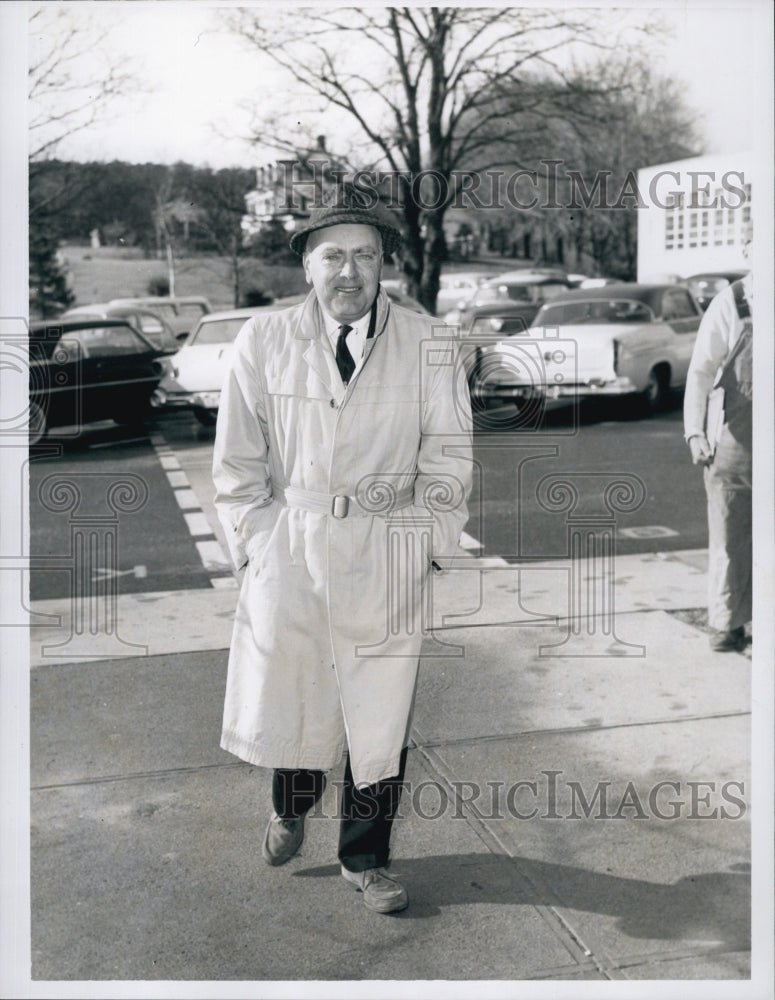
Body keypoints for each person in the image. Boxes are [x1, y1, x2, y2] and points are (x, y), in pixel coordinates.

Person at [212, 184, 472, 913]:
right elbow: (235, 465)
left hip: (387, 548)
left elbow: (448, 460)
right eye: (333, 256)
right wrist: (256, 546)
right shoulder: (262, 342)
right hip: (291, 547)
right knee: (295, 697)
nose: (349, 272)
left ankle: (366, 859)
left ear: (385, 262)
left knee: (377, 711)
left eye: (365, 255)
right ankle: (289, 808)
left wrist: (420, 544)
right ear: (307, 266)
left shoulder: (430, 344)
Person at [683, 237, 752, 653]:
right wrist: (695, 431)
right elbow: (700, 370)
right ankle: (727, 623)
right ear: (748, 249)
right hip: (735, 439)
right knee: (730, 534)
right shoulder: (732, 301)